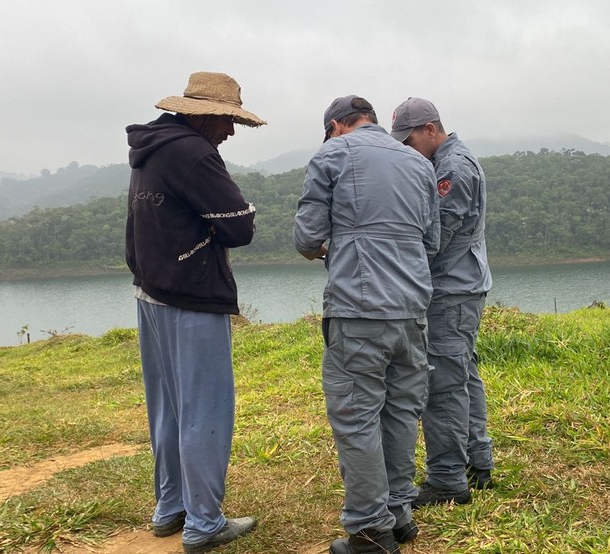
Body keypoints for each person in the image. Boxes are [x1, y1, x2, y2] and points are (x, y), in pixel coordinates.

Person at [124, 71, 265, 554]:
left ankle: (170, 509)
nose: (229, 131)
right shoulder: (194, 154)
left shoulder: (150, 148)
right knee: (205, 412)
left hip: (151, 293)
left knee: (167, 410)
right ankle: (204, 523)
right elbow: (240, 227)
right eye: (226, 120)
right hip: (191, 297)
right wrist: (244, 209)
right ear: (202, 116)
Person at [294, 95, 440, 554]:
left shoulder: (333, 153)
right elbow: (432, 240)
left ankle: (369, 531)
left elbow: (307, 237)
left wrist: (332, 247)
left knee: (357, 416)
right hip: (413, 307)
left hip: (359, 307)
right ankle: (398, 514)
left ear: (337, 126)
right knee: (400, 410)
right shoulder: (419, 164)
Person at [390, 97, 495, 508]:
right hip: (461, 285)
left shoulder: (452, 168)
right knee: (463, 372)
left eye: (410, 140)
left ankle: (448, 477)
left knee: (443, 384)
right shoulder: (446, 161)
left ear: (431, 130)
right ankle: (476, 460)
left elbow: (437, 238)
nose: (406, 149)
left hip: (452, 288)